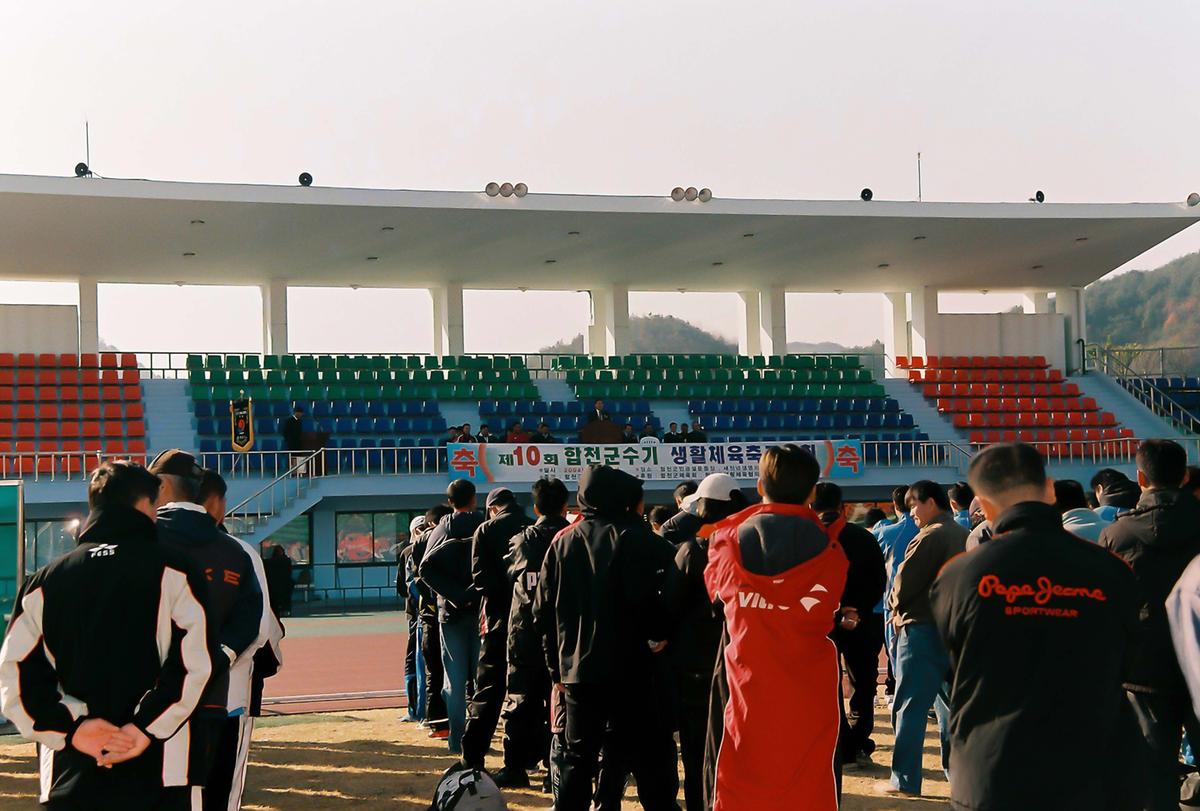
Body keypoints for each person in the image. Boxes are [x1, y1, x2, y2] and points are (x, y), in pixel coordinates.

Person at [930, 443, 1140, 810]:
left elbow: (954, 663)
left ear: (983, 502)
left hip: (993, 769)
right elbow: (1128, 658)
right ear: (1049, 488)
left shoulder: (958, 576)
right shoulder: (1111, 570)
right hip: (1094, 769)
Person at [0, 461, 216, 810]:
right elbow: (196, 665)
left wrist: (73, 730)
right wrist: (142, 729)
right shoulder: (175, 570)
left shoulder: (44, 581)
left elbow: (14, 676)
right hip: (163, 767)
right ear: (146, 504)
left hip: (70, 770)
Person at [703, 445, 848, 811]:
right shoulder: (831, 550)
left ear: (759, 485)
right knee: (810, 780)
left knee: (737, 779)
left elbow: (716, 594)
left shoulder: (726, 541)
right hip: (808, 685)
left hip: (745, 681)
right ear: (812, 492)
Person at [533, 465, 681, 811]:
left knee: (578, 757)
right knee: (651, 755)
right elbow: (661, 600)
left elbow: (541, 611)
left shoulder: (564, 542)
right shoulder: (641, 539)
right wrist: (659, 635)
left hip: (580, 671)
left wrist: (556, 669)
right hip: (635, 668)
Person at [150, 450, 265, 802]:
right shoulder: (236, 551)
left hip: (147, 697)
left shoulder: (141, 540)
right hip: (215, 697)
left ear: (164, 484)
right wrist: (218, 657)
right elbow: (253, 618)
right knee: (209, 794)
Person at [1100, 439, 1200, 811]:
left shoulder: (1117, 534)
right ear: (1185, 476)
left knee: (1154, 768)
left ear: (1140, 477)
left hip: (1144, 667)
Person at [196, 469, 282, 811]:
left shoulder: (156, 548)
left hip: (168, 699)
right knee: (222, 790)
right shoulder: (241, 553)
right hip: (228, 695)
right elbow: (259, 628)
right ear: (217, 503)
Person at [881, 480, 967, 798]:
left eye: (913, 504)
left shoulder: (930, 535)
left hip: (921, 629)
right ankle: (955, 776)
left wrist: (893, 608)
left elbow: (903, 586)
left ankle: (904, 779)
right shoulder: (962, 533)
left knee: (910, 706)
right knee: (948, 709)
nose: (911, 512)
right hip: (953, 629)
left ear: (930, 502)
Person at [669, 474, 747, 811]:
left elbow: (669, 608)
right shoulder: (755, 545)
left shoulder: (691, 551)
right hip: (742, 661)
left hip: (697, 666)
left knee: (699, 748)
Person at [496, 478, 572, 789]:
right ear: (565, 507)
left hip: (525, 633)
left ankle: (515, 767)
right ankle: (555, 770)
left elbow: (508, 573)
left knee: (520, 700)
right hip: (565, 635)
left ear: (536, 507)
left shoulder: (522, 541)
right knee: (562, 703)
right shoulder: (574, 539)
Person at [812, 482, 887, 769]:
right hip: (861, 621)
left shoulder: (806, 540)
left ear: (810, 507)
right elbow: (879, 581)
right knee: (863, 682)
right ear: (842, 507)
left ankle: (838, 743)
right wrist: (856, 610)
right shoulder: (863, 538)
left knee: (827, 684)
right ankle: (858, 742)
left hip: (822, 624)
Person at [461, 488, 532, 771]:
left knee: (488, 690)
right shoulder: (531, 528)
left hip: (497, 619)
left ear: (492, 508)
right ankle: (522, 761)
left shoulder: (485, 530)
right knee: (529, 693)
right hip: (530, 620)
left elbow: (480, 580)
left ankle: (473, 757)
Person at [419, 480, 486, 755]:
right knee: (482, 679)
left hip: (450, 612)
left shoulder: (442, 528)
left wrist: (455, 594)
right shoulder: (483, 524)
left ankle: (456, 739)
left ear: (449, 501)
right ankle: (479, 737)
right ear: (473, 499)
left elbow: (425, 569)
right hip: (481, 610)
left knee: (454, 681)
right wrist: (473, 591)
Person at [412, 504, 453, 741]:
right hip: (455, 614)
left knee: (433, 671)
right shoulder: (461, 538)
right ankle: (456, 720)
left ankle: (438, 724)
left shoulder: (415, 548)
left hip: (429, 615)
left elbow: (410, 585)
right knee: (459, 673)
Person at [873, 484, 918, 698]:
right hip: (934, 606)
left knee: (899, 660)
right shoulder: (937, 530)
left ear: (895, 505)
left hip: (895, 608)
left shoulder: (884, 534)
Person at [399, 515, 429, 723]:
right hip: (439, 611)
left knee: (414, 660)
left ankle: (416, 710)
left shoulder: (408, 552)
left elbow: (402, 587)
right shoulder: (438, 544)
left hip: (417, 614)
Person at [264, 544, 294, 617]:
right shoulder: (286, 560)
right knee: (285, 599)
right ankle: (286, 611)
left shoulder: (269, 562)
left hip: (273, 584)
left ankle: (276, 612)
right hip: (285, 584)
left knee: (275, 600)